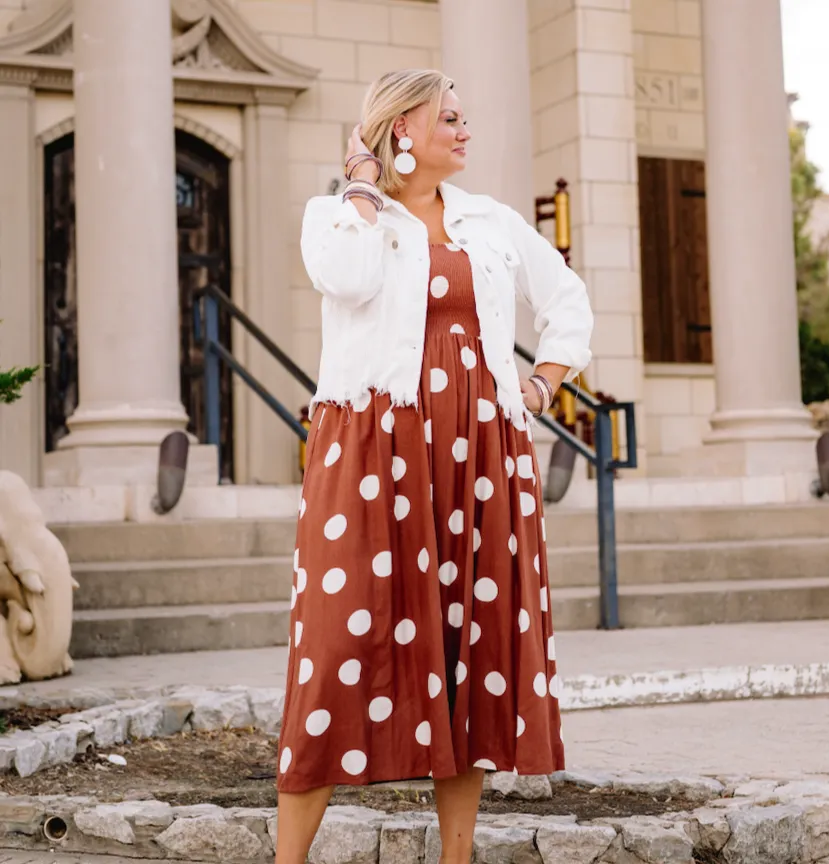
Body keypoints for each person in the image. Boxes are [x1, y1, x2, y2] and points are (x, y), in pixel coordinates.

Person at [274, 68, 593, 864]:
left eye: (463, 116)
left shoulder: (490, 222)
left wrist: (543, 383)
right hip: (373, 452)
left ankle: (458, 858)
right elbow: (346, 280)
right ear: (402, 129)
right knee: (332, 654)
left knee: (470, 655)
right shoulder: (343, 217)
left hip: (482, 455)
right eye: (448, 117)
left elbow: (568, 300)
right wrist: (360, 185)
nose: (465, 130)